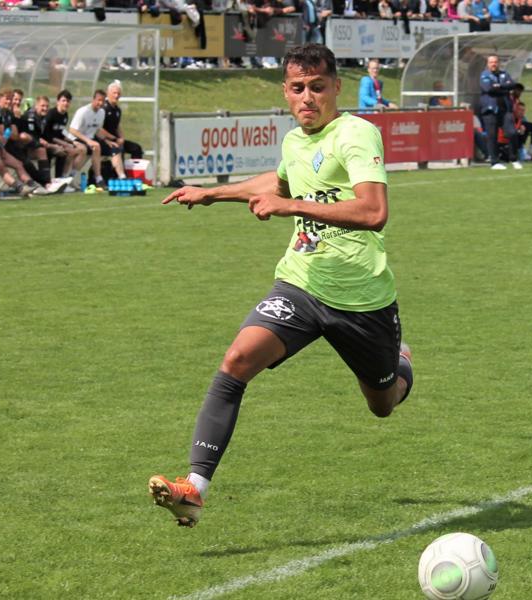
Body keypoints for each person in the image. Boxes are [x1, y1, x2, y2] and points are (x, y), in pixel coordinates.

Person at [151, 44, 415, 528]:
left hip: (362, 301)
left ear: (336, 86)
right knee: (235, 362)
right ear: (286, 92)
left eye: (317, 87)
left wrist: (294, 208)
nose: (308, 97)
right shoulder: (295, 141)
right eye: (298, 88)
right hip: (300, 283)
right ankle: (194, 488)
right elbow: (280, 184)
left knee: (383, 404)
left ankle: (400, 367)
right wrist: (213, 193)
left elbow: (374, 212)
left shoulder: (356, 134)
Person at [66, 89, 125, 190]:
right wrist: (88, 141)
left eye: (102, 101)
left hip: (91, 140)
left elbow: (97, 130)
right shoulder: (83, 111)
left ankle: (123, 179)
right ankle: (72, 178)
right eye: (98, 100)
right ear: (93, 99)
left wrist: (107, 141)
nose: (100, 103)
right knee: (93, 147)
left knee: (115, 149)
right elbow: (72, 130)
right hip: (76, 139)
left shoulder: (101, 112)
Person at [479, 54, 520, 170]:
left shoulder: (504, 74)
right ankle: (494, 161)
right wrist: (504, 87)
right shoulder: (484, 75)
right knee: (492, 136)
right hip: (490, 110)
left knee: (512, 133)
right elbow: (488, 88)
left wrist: (499, 86)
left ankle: (514, 159)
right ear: (488, 64)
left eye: (495, 62)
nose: (494, 64)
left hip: (505, 109)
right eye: (491, 62)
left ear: (499, 63)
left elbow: (512, 85)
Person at [99, 80, 145, 182]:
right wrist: (115, 139)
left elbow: (117, 125)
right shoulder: (104, 109)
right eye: (114, 93)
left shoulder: (117, 109)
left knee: (136, 148)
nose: (116, 96)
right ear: (108, 93)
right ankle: (118, 177)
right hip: (106, 140)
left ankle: (135, 177)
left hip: (116, 139)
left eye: (118, 93)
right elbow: (99, 129)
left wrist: (122, 138)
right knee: (119, 149)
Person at [42, 90, 87, 189]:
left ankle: (68, 178)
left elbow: (61, 132)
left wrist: (72, 142)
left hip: (57, 142)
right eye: (63, 100)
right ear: (58, 101)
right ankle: (60, 180)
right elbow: (46, 134)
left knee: (81, 149)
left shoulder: (65, 116)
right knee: (67, 151)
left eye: (68, 101)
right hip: (47, 143)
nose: (66, 103)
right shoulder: (51, 114)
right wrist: (63, 144)